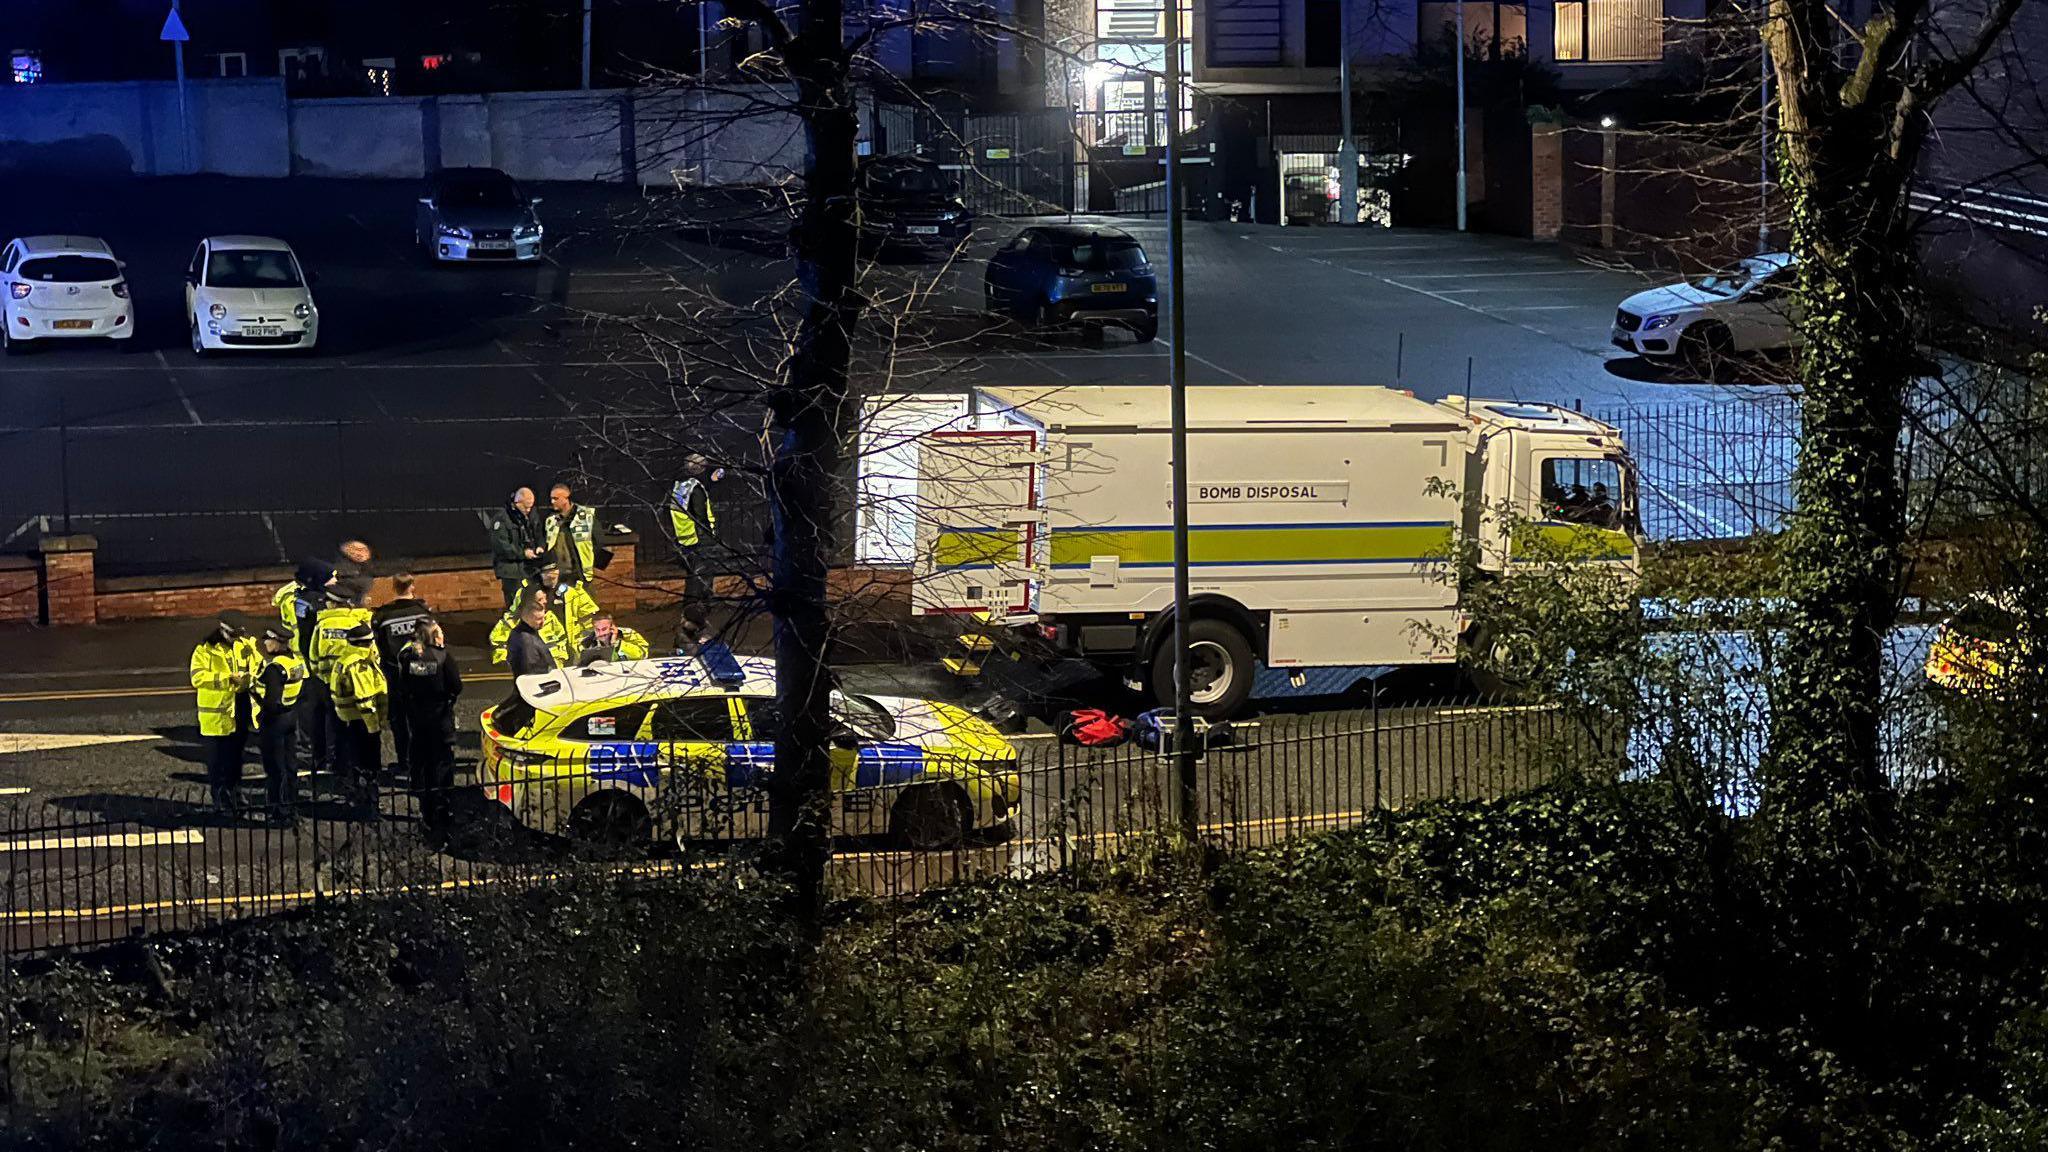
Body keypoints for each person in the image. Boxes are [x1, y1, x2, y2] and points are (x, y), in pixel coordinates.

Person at [396, 619, 463, 831]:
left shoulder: (409, 658)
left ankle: (425, 805)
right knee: (441, 763)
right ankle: (442, 808)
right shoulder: (443, 657)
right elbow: (456, 686)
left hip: (417, 718)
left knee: (421, 759)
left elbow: (403, 685)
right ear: (435, 637)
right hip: (440, 718)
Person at [371, 573, 435, 777]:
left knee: (400, 722)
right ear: (412, 587)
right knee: (422, 717)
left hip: (395, 676)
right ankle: (425, 759)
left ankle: (405, 762)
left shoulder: (383, 616)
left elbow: (379, 646)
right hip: (422, 674)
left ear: (394, 587)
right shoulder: (423, 612)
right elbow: (433, 642)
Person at [309, 579, 374, 772]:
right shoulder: (357, 622)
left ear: (334, 603)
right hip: (354, 681)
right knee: (356, 719)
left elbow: (313, 655)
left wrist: (322, 675)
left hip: (329, 682)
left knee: (334, 722)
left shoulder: (322, 625)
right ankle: (359, 761)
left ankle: (336, 762)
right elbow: (370, 652)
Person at [190, 621, 254, 814]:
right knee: (216, 761)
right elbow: (197, 678)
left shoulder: (244, 646)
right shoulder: (205, 650)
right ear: (223, 631)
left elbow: (256, 665)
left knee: (236, 757)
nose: (237, 639)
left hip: (238, 707)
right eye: (233, 635)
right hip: (215, 714)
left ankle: (236, 793)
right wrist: (225, 679)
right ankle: (219, 798)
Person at [328, 622, 389, 815]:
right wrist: (375, 725)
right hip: (362, 721)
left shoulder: (345, 658)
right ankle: (368, 803)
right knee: (368, 763)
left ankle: (355, 797)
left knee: (353, 759)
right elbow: (365, 699)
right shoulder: (358, 665)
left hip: (347, 719)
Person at [489, 561, 597, 666]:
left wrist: (587, 650)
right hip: (542, 662)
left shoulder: (574, 593)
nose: (551, 575)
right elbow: (509, 625)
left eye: (554, 570)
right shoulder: (527, 594)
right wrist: (507, 662)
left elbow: (590, 624)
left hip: (574, 657)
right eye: (546, 572)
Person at [668, 454, 722, 651]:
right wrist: (710, 538)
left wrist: (712, 483)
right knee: (701, 587)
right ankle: (697, 627)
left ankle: (687, 625)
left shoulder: (681, 487)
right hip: (701, 543)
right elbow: (700, 515)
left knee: (692, 585)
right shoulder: (696, 490)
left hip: (686, 541)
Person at [254, 628, 307, 824]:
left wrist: (258, 705)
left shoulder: (275, 668)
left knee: (275, 767)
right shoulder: (295, 661)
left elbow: (271, 701)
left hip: (274, 721)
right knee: (290, 764)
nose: (265, 643)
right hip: (291, 716)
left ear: (277, 643)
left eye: (268, 640)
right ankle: (291, 805)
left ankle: (277, 810)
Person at [487, 486, 544, 607]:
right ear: (517, 502)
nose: (528, 510)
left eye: (531, 506)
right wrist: (523, 553)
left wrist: (540, 546)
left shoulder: (531, 516)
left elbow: (539, 533)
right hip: (512, 571)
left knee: (534, 604)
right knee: (515, 606)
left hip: (531, 569)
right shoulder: (502, 519)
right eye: (526, 506)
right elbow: (501, 546)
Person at [545, 482, 597, 586]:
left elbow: (598, 542)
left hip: (581, 575)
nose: (552, 501)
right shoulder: (551, 520)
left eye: (556, 498)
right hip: (559, 576)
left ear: (566, 498)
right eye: (551, 498)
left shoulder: (586, 516)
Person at [503, 591, 559, 678]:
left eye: (543, 617)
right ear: (527, 617)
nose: (542, 622)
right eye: (539, 619)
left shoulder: (525, 632)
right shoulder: (526, 640)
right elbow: (531, 671)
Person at [578, 613, 651, 666]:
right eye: (597, 630)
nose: (601, 633)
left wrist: (617, 643)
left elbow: (643, 654)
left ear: (612, 626)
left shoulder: (629, 634)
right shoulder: (586, 642)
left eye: (604, 629)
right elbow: (579, 663)